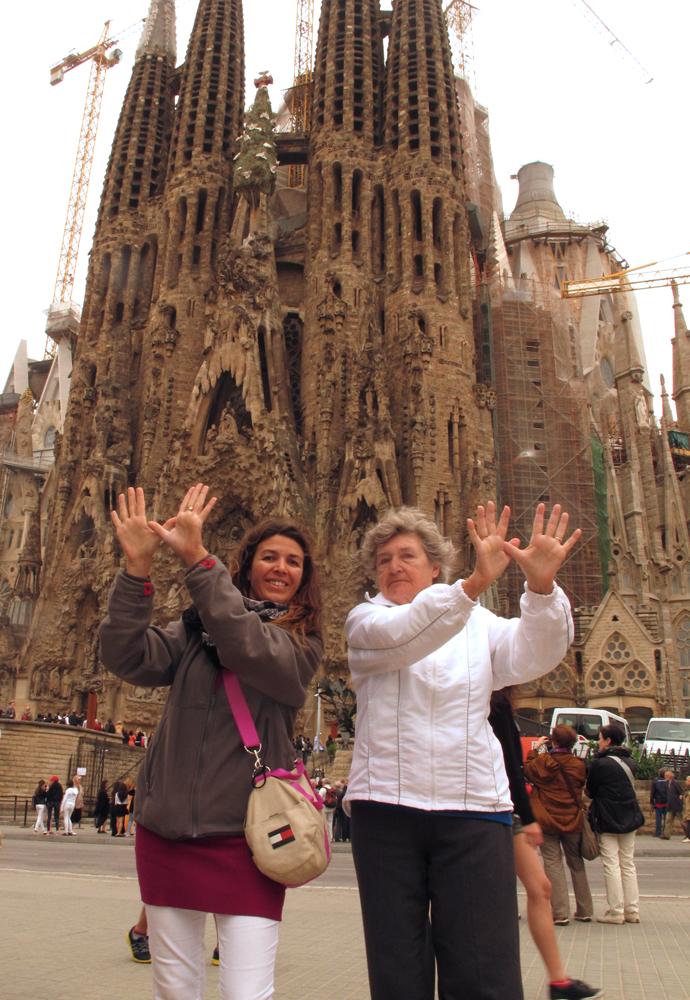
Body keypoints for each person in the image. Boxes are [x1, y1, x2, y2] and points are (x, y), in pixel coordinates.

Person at [344, 501, 580, 1000]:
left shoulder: (482, 626)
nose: (393, 567)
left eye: (406, 556)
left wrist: (539, 589)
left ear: (435, 567)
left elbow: (537, 652)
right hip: (386, 808)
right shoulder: (367, 621)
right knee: (397, 968)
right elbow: (404, 639)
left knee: (484, 966)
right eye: (383, 559)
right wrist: (472, 587)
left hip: (473, 810)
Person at [99, 484, 323, 1000]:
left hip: (251, 840)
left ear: (304, 578)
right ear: (247, 567)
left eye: (293, 561)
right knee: (176, 992)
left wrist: (199, 560)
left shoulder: (301, 644)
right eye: (269, 557)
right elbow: (127, 655)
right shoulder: (198, 627)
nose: (281, 568)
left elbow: (247, 645)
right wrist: (136, 571)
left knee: (245, 993)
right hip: (168, 834)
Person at [490, 691, 601, 1000]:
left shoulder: (496, 704)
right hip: (486, 808)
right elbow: (513, 766)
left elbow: (516, 765)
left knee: (540, 888)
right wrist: (528, 817)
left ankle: (558, 982)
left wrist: (526, 815)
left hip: (504, 808)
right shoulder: (487, 701)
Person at [523, 726, 594, 926]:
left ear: (553, 742)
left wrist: (535, 749)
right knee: (576, 863)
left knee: (552, 864)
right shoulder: (578, 764)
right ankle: (585, 910)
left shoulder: (544, 761)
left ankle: (561, 912)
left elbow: (528, 770)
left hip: (547, 819)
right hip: (572, 819)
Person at [586, 724, 645, 924]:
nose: (598, 742)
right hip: (629, 816)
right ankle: (632, 910)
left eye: (600, 738)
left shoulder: (600, 764)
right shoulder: (631, 762)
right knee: (628, 863)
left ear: (608, 741)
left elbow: (591, 791)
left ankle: (616, 911)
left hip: (607, 817)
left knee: (611, 864)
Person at [661, 770, 684, 839]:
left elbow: (681, 792)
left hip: (677, 806)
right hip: (670, 806)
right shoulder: (668, 783)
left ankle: (688, 833)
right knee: (668, 820)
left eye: (666, 776)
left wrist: (680, 801)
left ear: (671, 776)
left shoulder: (675, 783)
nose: (665, 777)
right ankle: (666, 835)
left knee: (682, 821)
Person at [650, 767, 668, 837]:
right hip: (666, 802)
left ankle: (658, 832)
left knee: (658, 818)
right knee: (666, 818)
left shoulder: (655, 781)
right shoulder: (667, 781)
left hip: (659, 802)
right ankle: (665, 832)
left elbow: (653, 792)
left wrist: (652, 802)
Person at [683, 776, 690, 843]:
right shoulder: (687, 789)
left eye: (687, 781)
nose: (686, 782)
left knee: (688, 823)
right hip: (687, 809)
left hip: (689, 810)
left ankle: (688, 837)